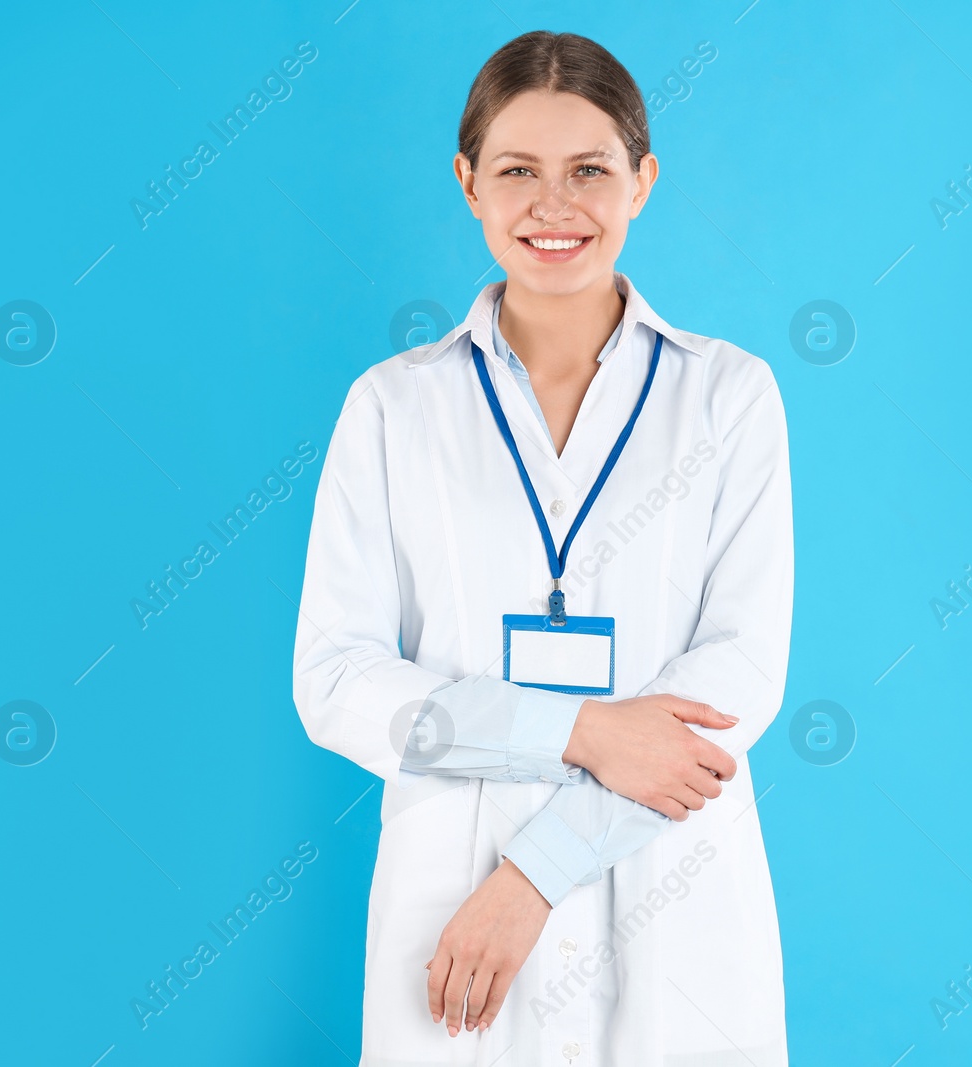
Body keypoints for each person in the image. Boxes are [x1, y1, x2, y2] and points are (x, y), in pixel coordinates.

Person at [292, 29, 793, 1067]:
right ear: (468, 181)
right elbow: (335, 679)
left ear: (642, 182)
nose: (552, 205)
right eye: (517, 170)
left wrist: (533, 872)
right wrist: (581, 730)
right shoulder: (394, 408)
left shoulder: (727, 396)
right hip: (448, 904)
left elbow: (737, 677)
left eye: (589, 171)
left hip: (666, 895)